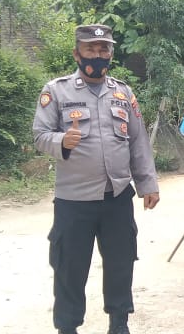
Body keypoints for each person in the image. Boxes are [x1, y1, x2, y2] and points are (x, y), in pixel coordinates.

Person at [32, 24, 160, 334]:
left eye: (104, 49)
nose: (98, 54)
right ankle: (67, 327)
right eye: (90, 48)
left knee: (121, 263)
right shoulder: (57, 90)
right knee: (69, 267)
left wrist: (148, 184)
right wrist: (62, 141)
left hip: (117, 196)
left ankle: (119, 322)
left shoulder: (122, 93)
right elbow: (40, 135)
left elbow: (137, 142)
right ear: (77, 53)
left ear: (111, 54)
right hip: (74, 200)